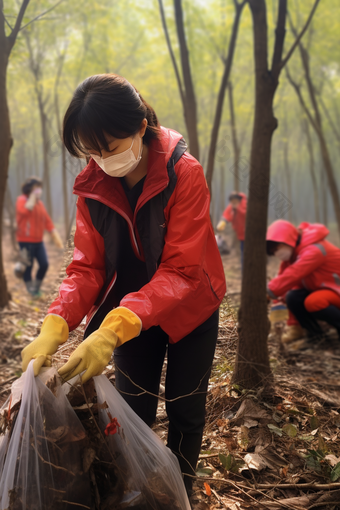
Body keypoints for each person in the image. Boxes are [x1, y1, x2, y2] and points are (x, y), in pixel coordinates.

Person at [20, 74, 226, 498]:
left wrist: (113, 329)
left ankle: (181, 495)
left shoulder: (183, 173)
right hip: (129, 315)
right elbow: (87, 267)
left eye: (109, 148)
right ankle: (139, 494)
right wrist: (56, 324)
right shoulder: (92, 187)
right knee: (134, 410)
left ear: (139, 127)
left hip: (190, 310)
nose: (101, 160)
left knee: (186, 411)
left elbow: (183, 270)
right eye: (90, 151)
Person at [266, 219, 340, 343]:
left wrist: (269, 291)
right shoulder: (292, 256)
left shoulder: (314, 250)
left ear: (288, 239)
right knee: (293, 296)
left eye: (278, 247)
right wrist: (293, 325)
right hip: (324, 290)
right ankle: (315, 336)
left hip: (335, 289)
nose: (277, 253)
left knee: (314, 302)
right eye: (273, 251)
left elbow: (294, 274)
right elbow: (284, 286)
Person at [16, 177, 64, 297]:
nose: (38, 190)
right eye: (35, 187)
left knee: (44, 264)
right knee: (28, 265)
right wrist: (31, 199)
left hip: (38, 240)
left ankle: (35, 287)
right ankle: (30, 289)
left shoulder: (40, 203)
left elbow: (46, 220)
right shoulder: (22, 200)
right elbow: (23, 212)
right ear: (30, 188)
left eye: (39, 188)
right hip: (25, 240)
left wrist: (53, 233)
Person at [216, 191, 247, 266]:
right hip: (241, 235)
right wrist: (223, 221)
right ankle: (244, 271)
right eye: (232, 201)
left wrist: (238, 208)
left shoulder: (245, 204)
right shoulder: (232, 206)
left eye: (235, 201)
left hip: (250, 235)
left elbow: (245, 214)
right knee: (243, 254)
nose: (233, 203)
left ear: (239, 200)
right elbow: (227, 214)